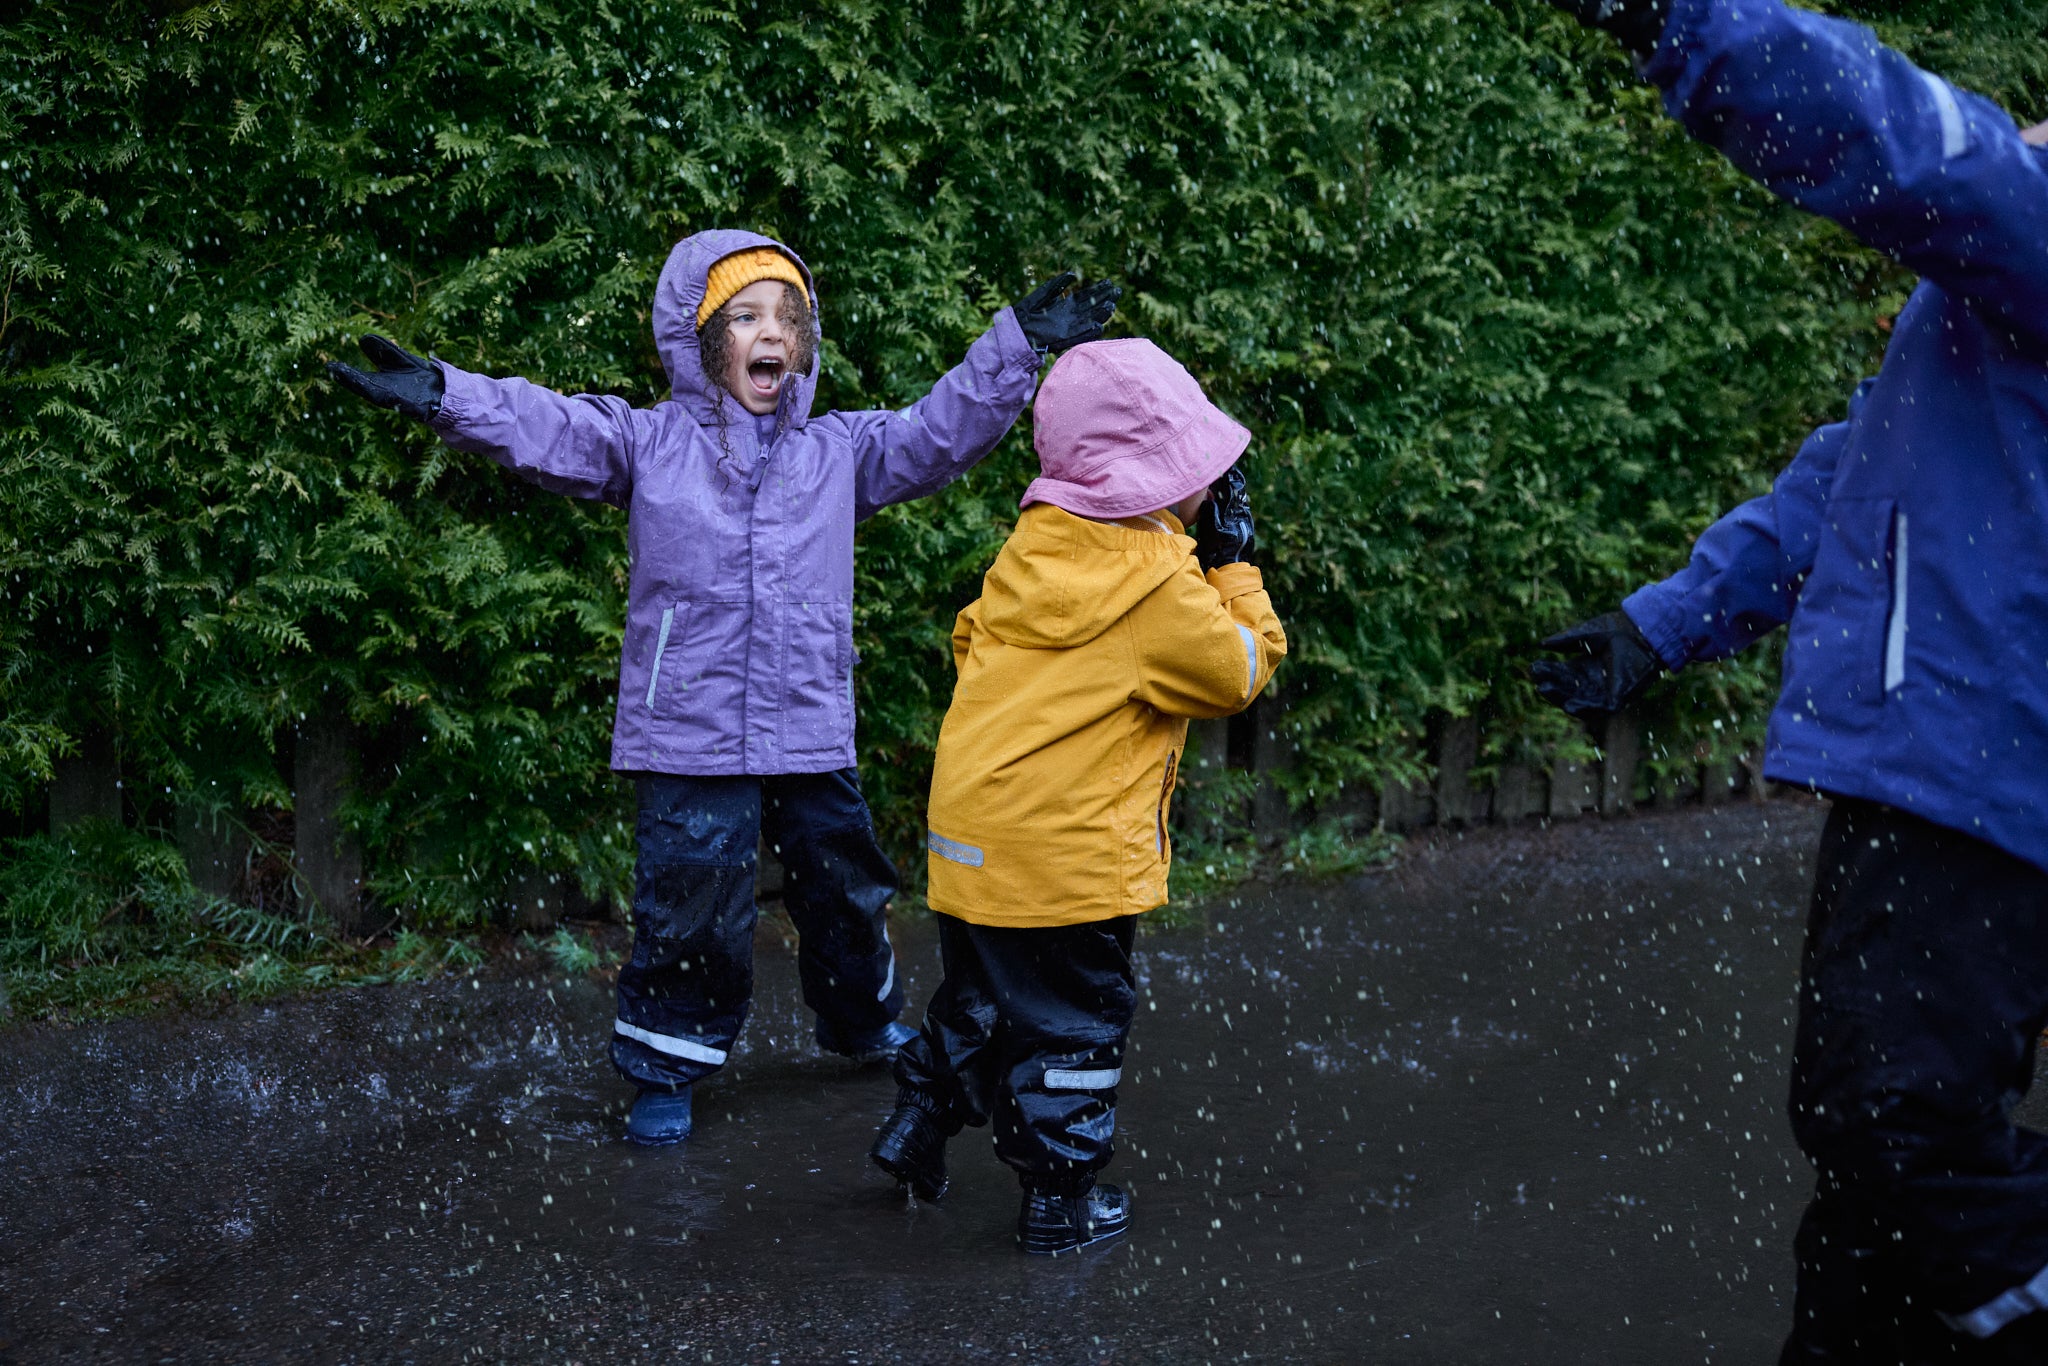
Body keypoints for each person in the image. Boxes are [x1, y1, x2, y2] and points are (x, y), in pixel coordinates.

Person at [329, 229, 1119, 1146]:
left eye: (788, 316)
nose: (769, 332)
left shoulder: (839, 452)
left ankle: (863, 1019)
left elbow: (938, 431)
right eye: (744, 316)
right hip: (691, 726)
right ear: (703, 342)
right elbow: (546, 426)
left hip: (808, 720)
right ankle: (667, 1060)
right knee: (692, 898)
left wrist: (1015, 344)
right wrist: (445, 396)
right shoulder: (648, 442)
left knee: (845, 884)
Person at [1529, 2, 2048, 1359]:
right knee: (1876, 1185)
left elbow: (1906, 140)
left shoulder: (2033, 235)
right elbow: (1850, 479)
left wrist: (1687, 19)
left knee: (1893, 1125)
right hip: (1948, 766)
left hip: (1982, 777)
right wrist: (1664, 623)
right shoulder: (1989, 323)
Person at [866, 338, 1287, 1255]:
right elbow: (1240, 670)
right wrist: (1233, 567)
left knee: (980, 997)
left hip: (973, 837)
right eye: (1196, 474)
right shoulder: (1159, 584)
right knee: (1072, 1024)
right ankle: (1058, 1200)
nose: (1207, 491)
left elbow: (970, 643)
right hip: (1069, 860)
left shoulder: (1031, 550)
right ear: (1154, 482)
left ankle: (918, 1124)